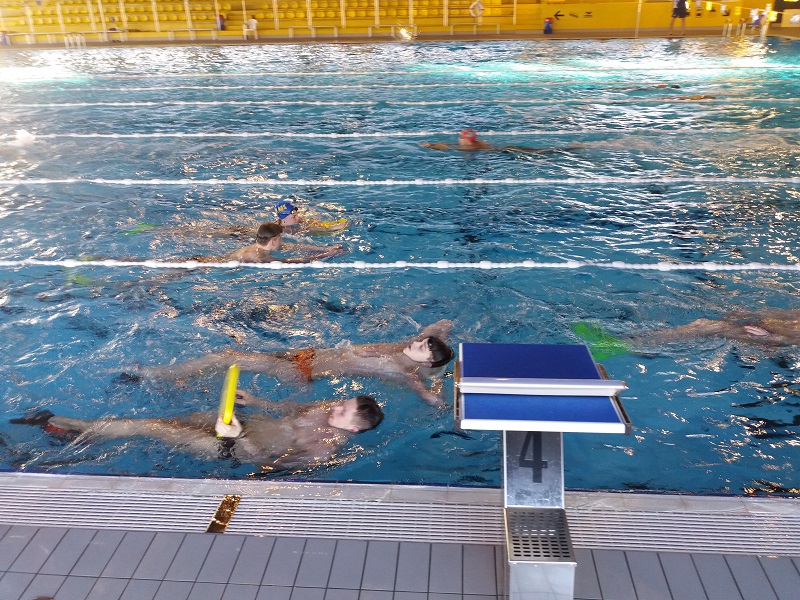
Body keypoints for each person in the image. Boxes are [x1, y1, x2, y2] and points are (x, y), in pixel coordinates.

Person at [14, 394, 384, 473]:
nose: (336, 407)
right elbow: (288, 410)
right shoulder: (324, 410)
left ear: (353, 428)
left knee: (153, 428)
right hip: (240, 426)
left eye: (344, 411)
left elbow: (266, 466)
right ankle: (89, 433)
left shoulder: (324, 449)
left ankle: (66, 425)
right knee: (174, 418)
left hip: (232, 448)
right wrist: (255, 401)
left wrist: (237, 438)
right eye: (343, 402)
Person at [136, 319, 455, 406]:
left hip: (300, 370)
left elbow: (432, 399)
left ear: (426, 363)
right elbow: (441, 325)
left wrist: (439, 380)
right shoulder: (404, 348)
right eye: (421, 341)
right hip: (305, 355)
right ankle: (183, 380)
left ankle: (161, 375)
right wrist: (442, 337)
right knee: (228, 360)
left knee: (227, 356)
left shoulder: (403, 372)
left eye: (423, 347)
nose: (417, 342)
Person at [194, 222, 345, 264]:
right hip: (205, 266)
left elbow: (296, 246)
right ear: (273, 240)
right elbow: (288, 262)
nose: (282, 241)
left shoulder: (263, 246)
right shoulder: (259, 257)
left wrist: (324, 248)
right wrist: (325, 255)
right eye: (280, 238)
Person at [420, 128, 582, 155]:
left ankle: (571, 148)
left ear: (464, 139)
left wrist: (432, 147)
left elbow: (450, 149)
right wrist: (431, 145)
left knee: (541, 153)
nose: (458, 139)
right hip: (507, 148)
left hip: (508, 152)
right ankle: (572, 148)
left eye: (460, 137)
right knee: (540, 152)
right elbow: (450, 146)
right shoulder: (475, 144)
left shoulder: (468, 148)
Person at [275, 200, 349, 235]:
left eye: (296, 214)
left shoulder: (291, 221)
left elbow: (313, 223)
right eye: (294, 216)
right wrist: (333, 228)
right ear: (283, 219)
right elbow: (314, 230)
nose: (298, 217)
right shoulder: (282, 232)